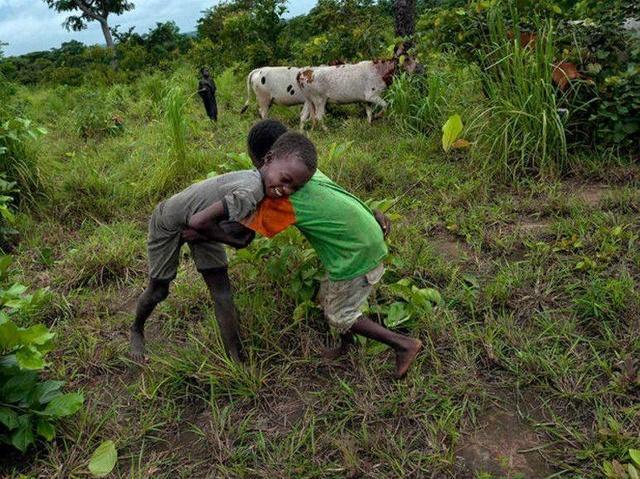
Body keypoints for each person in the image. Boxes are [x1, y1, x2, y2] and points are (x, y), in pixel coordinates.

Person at [242, 119, 422, 378]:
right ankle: (347, 345)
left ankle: (403, 345)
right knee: (330, 295)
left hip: (356, 254)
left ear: (262, 160)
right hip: (362, 239)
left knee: (339, 314)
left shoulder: (283, 196)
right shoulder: (307, 172)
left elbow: (243, 238)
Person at [130, 132, 317, 362]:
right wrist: (236, 242)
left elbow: (213, 223)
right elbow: (198, 222)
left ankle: (235, 358)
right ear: (268, 159)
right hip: (169, 222)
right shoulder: (251, 190)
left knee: (223, 293)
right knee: (159, 290)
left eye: (294, 188)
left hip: (203, 225)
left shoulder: (261, 183)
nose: (285, 190)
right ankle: (136, 329)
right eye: (286, 179)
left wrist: (225, 235)